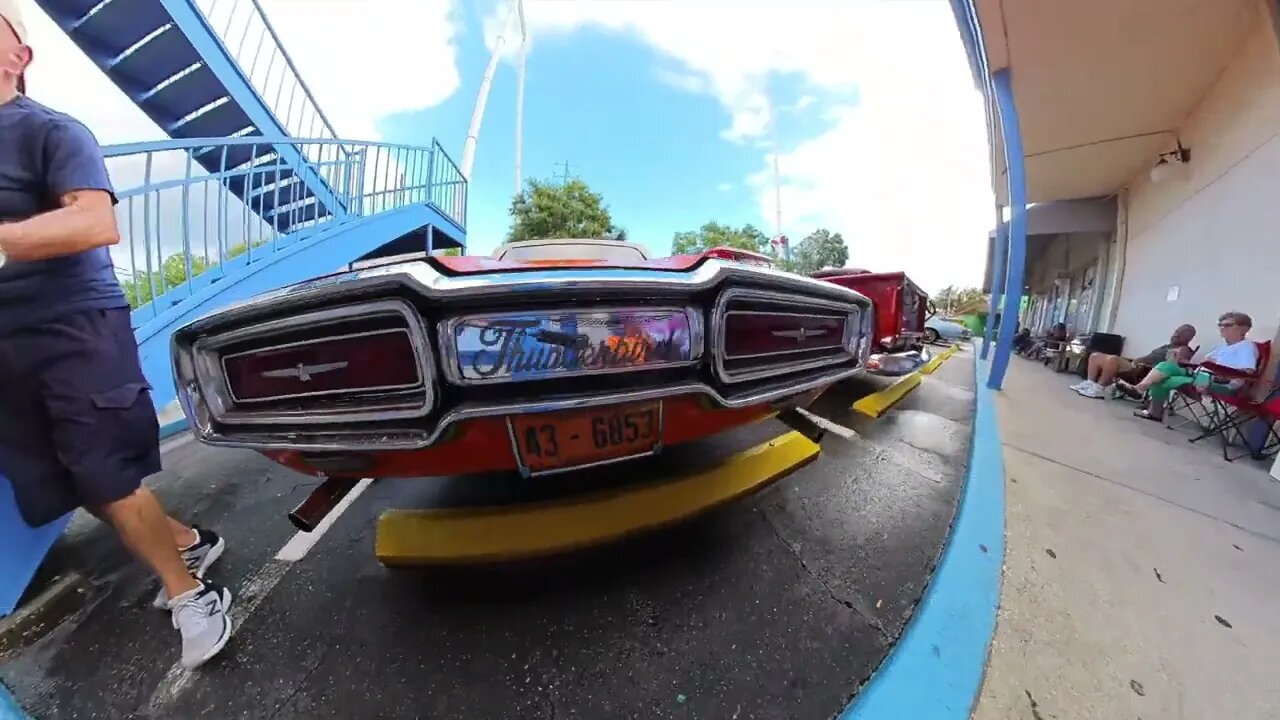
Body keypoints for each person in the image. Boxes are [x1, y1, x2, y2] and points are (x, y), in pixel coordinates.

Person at [0, 0, 232, 669]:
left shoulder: (49, 130)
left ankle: (190, 592)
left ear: (21, 57)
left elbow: (94, 223)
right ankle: (189, 539)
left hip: (72, 323)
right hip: (5, 345)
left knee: (104, 472)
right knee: (64, 480)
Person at [1122, 312, 1259, 422]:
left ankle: (1148, 404)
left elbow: (1248, 372)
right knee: (1166, 367)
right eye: (1220, 325)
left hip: (1221, 384)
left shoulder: (1246, 347)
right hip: (1201, 376)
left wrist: (1219, 374)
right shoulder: (1222, 348)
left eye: (1228, 325)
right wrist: (1183, 361)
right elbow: (1205, 364)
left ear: (1243, 328)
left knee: (1164, 376)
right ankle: (1142, 394)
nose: (1222, 328)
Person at [1070, 323, 1196, 398]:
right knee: (1095, 356)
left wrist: (1176, 354)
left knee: (1113, 359)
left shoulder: (1183, 349)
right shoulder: (1166, 346)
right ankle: (1090, 383)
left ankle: (1099, 388)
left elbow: (1172, 364)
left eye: (1180, 333)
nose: (1175, 334)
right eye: (1176, 331)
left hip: (1143, 371)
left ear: (1188, 338)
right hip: (1136, 365)